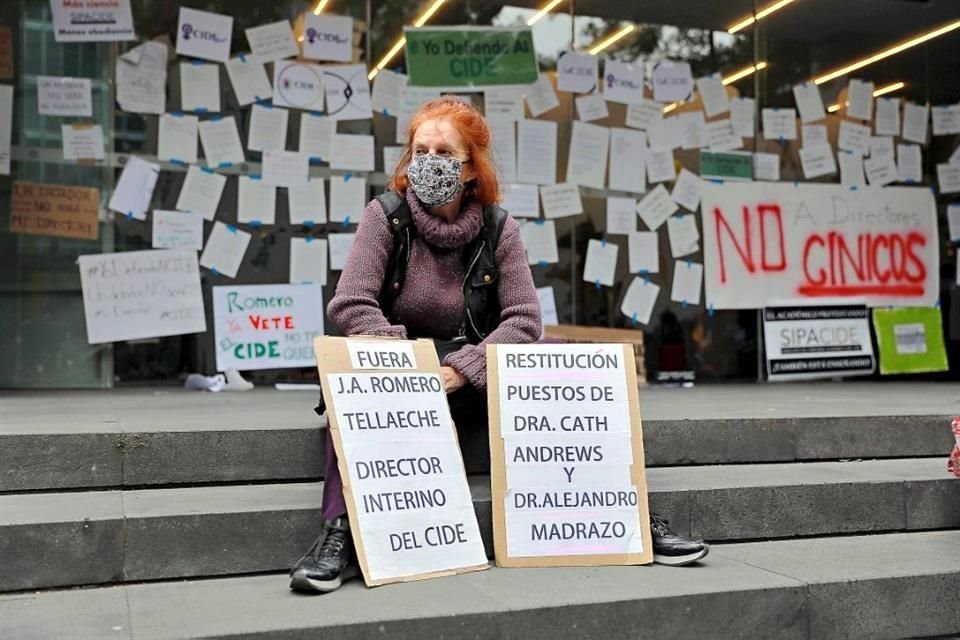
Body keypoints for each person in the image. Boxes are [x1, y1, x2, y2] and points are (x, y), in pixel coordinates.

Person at [290, 98, 707, 595]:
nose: (428, 162)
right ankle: (339, 534)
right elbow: (352, 303)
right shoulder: (385, 217)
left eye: (444, 152)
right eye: (419, 150)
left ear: (471, 167)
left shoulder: (498, 227)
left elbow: (525, 320)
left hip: (474, 369)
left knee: (562, 374)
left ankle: (628, 513)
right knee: (358, 389)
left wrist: (463, 368)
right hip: (401, 367)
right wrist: (403, 363)